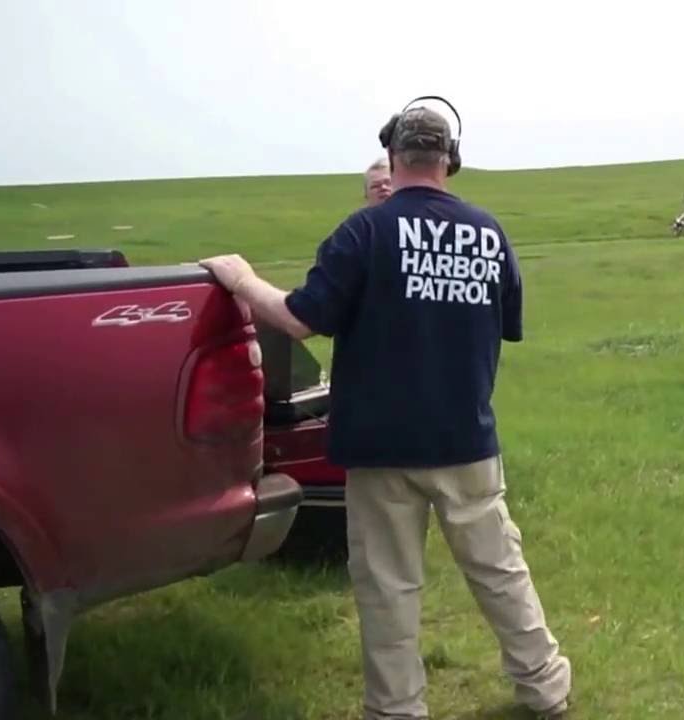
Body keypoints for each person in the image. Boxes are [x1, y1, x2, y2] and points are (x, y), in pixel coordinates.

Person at [199, 103, 572, 720]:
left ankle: (398, 710)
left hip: (379, 446)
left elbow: (299, 317)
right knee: (500, 570)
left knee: (390, 590)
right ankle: (545, 686)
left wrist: (241, 279)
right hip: (467, 441)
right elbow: (505, 326)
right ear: (450, 160)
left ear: (393, 159)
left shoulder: (363, 232)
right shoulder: (489, 232)